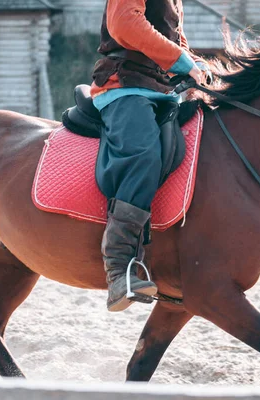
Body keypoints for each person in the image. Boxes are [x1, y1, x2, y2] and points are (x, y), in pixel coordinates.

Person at [90, 0, 209, 312]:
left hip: (162, 91)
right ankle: (118, 270)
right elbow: (125, 22)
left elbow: (173, 39)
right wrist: (182, 61)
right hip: (124, 86)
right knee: (144, 155)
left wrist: (197, 65)